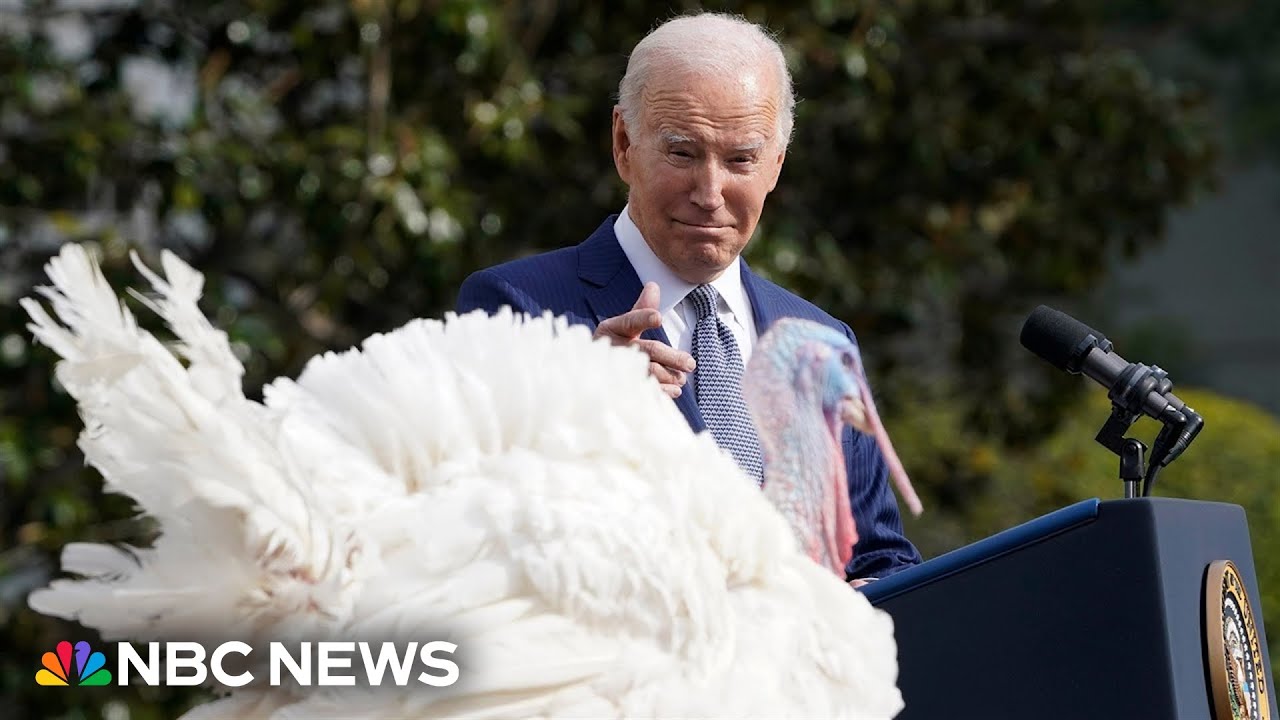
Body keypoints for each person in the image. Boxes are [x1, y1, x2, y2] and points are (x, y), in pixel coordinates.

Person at [456, 12, 921, 580]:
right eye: (682, 152)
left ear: (776, 164)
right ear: (624, 143)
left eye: (740, 159)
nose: (709, 192)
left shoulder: (821, 343)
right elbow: (468, 533)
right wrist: (578, 409)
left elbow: (880, 560)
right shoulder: (518, 310)